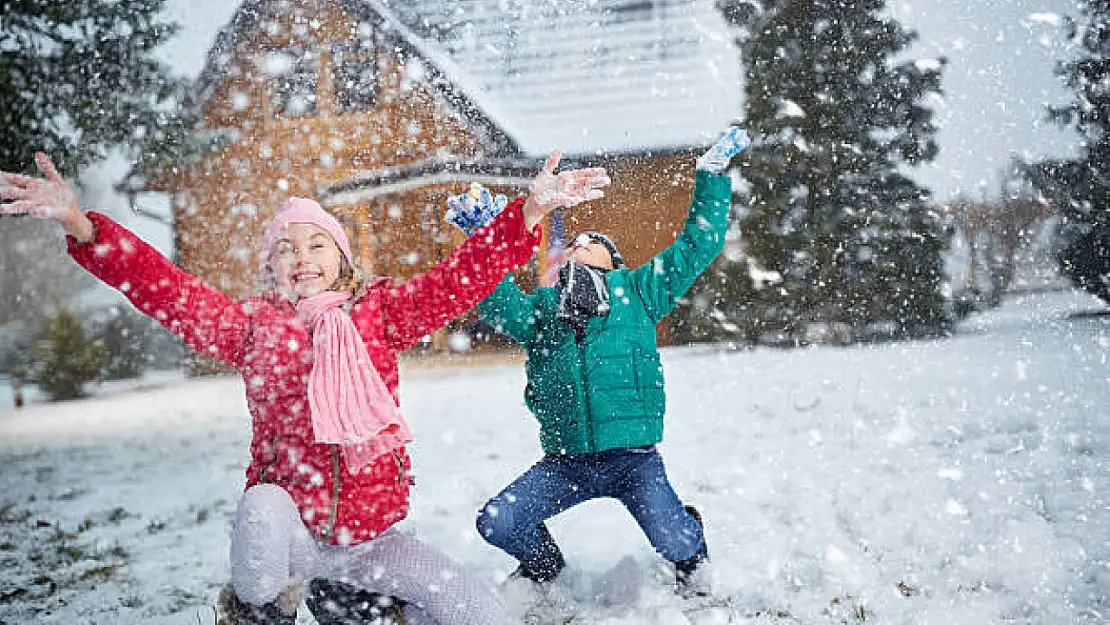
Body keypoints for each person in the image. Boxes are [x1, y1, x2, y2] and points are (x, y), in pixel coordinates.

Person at [0, 151, 609, 625]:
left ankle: (376, 610)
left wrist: (526, 216)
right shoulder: (250, 330)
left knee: (479, 613)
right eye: (286, 249)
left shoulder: (381, 314)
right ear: (273, 269)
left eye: (317, 243)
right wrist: (83, 225)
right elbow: (167, 289)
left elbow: (458, 280)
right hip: (296, 541)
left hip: (371, 542)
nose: (302, 255)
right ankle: (263, 613)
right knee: (261, 507)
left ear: (342, 260)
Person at [447, 126, 750, 602]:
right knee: (497, 521)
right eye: (572, 243)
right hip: (565, 463)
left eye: (592, 241)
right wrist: (484, 241)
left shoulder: (641, 294)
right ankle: (544, 566)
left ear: (615, 261)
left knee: (673, 541)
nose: (577, 244)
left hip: (634, 461)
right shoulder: (545, 311)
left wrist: (709, 178)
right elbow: (493, 299)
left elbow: (699, 245)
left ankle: (691, 547)